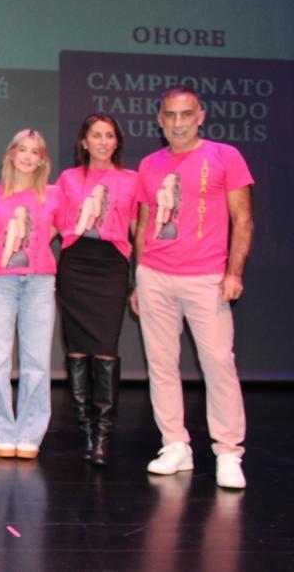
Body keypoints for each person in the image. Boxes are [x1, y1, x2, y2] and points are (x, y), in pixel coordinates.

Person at [132, 86, 253, 489]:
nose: (178, 123)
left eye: (186, 114)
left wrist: (233, 273)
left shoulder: (225, 156)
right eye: (171, 115)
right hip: (155, 276)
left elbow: (243, 219)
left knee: (218, 362)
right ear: (160, 120)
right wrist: (139, 274)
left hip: (206, 277)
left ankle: (228, 451)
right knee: (162, 365)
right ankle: (175, 445)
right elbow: (145, 223)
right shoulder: (149, 164)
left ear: (201, 116)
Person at [55, 114, 138, 466]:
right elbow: (54, 223)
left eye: (109, 135)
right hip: (75, 265)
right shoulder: (69, 179)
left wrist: (143, 274)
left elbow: (139, 228)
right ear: (84, 143)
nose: (103, 141)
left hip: (111, 267)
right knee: (77, 352)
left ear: (116, 142)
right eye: (96, 135)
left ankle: (103, 434)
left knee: (104, 350)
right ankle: (86, 428)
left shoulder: (132, 180)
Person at [0, 130, 61, 460]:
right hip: (0, 282)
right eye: (23, 150)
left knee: (36, 362)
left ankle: (29, 433)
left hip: (40, 283)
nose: (28, 156)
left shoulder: (54, 195)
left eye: (36, 152)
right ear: (11, 154)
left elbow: (57, 228)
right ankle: (0, 431)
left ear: (43, 159)